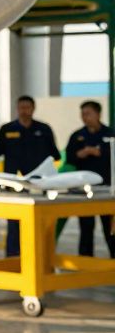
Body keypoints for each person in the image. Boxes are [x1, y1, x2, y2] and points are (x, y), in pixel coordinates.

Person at [0, 95, 60, 257]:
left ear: (33, 109)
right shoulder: (7, 129)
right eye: (21, 107)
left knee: (39, 221)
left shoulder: (44, 130)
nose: (24, 111)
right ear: (17, 109)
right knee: (14, 222)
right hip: (14, 185)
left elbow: (55, 155)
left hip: (38, 185)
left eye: (27, 108)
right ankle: (13, 258)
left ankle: (38, 256)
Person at [65, 100, 114, 257]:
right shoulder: (77, 136)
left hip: (107, 189)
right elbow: (69, 158)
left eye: (88, 113)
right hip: (84, 191)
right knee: (86, 227)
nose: (85, 117)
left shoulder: (110, 134)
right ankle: (85, 261)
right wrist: (80, 154)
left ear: (98, 114)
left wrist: (100, 152)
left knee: (110, 229)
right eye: (82, 114)